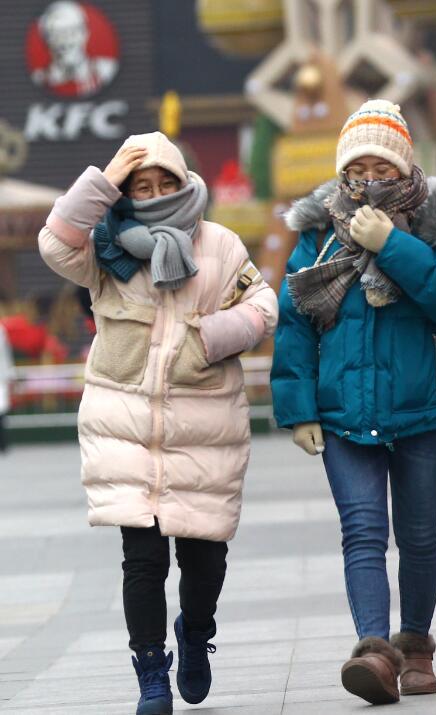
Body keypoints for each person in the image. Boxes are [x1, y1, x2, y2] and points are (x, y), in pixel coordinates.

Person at [38, 131, 278, 715]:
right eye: (138, 186)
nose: (151, 193)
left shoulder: (219, 245)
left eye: (161, 182)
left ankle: (195, 634)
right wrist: (107, 174)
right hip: (127, 427)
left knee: (204, 560)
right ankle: (151, 670)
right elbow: (54, 241)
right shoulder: (106, 245)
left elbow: (264, 304)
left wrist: (213, 337)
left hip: (203, 425)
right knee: (141, 560)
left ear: (183, 183)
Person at [271, 100, 436, 706]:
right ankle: (374, 653)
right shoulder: (317, 232)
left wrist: (392, 244)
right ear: (342, 170)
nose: (370, 178)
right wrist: (299, 408)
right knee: (362, 531)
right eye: (358, 165)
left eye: (383, 166)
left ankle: (415, 648)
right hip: (345, 415)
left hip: (426, 412)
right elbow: (294, 321)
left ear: (405, 167)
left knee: (417, 536)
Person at [0, 324, 14, 453]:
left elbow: (6, 355)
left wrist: (9, 375)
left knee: (1, 413)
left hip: (1, 378)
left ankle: (3, 444)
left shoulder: (1, 330)